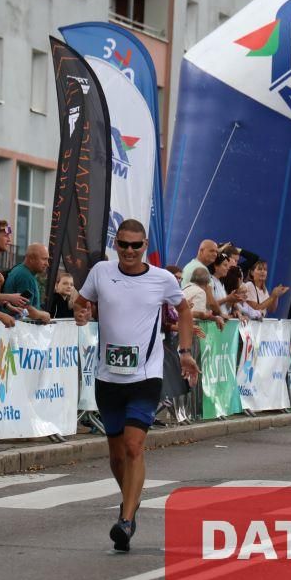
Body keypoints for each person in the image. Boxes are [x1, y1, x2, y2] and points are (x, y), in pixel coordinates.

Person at [72, 219, 199, 553]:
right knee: (116, 456)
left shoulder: (162, 279)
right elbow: (80, 302)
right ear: (116, 244)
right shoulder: (101, 272)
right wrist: (81, 313)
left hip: (145, 376)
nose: (129, 251)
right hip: (107, 377)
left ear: (144, 246)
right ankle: (132, 498)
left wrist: (185, 352)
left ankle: (126, 520)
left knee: (133, 446)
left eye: (136, 245)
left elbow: (184, 310)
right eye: (123, 244)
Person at [2, 243, 52, 323]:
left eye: (47, 259)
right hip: (17, 327)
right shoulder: (25, 276)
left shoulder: (21, 270)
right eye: (44, 259)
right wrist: (43, 315)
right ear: (31, 259)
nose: (47, 264)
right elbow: (25, 309)